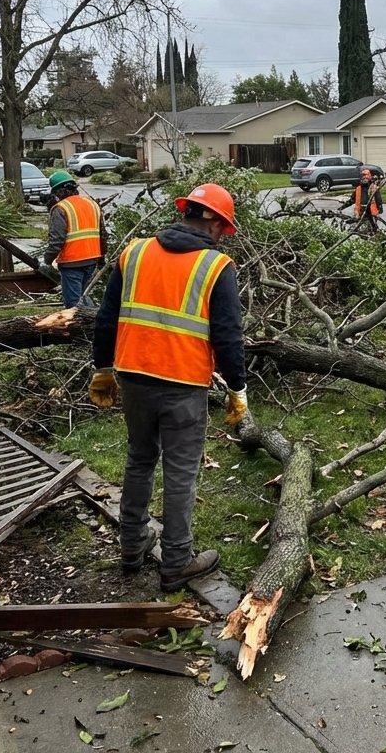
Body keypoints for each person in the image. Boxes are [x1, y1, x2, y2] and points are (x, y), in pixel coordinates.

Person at [88, 182, 248, 591]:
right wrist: (237, 388)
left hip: (133, 377)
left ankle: (132, 546)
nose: (222, 237)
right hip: (183, 384)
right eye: (223, 229)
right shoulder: (216, 267)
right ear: (215, 223)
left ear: (186, 212)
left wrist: (102, 368)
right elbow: (228, 336)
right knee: (179, 473)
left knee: (139, 459)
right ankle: (176, 562)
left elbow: (106, 318)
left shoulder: (135, 252)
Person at [41, 169, 106, 308]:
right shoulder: (92, 204)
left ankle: (86, 321)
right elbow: (103, 235)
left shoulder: (60, 208)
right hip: (92, 260)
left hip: (72, 263)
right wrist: (101, 260)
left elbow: (57, 241)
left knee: (73, 304)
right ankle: (94, 318)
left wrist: (46, 261)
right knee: (83, 296)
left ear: (57, 192)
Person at [339, 166, 383, 232]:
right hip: (360, 213)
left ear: (369, 177)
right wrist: (342, 207)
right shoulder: (358, 189)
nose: (364, 179)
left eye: (366, 177)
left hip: (371, 214)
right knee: (361, 230)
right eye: (363, 177)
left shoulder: (373, 188)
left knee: (371, 229)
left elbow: (378, 200)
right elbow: (352, 200)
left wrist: (380, 208)